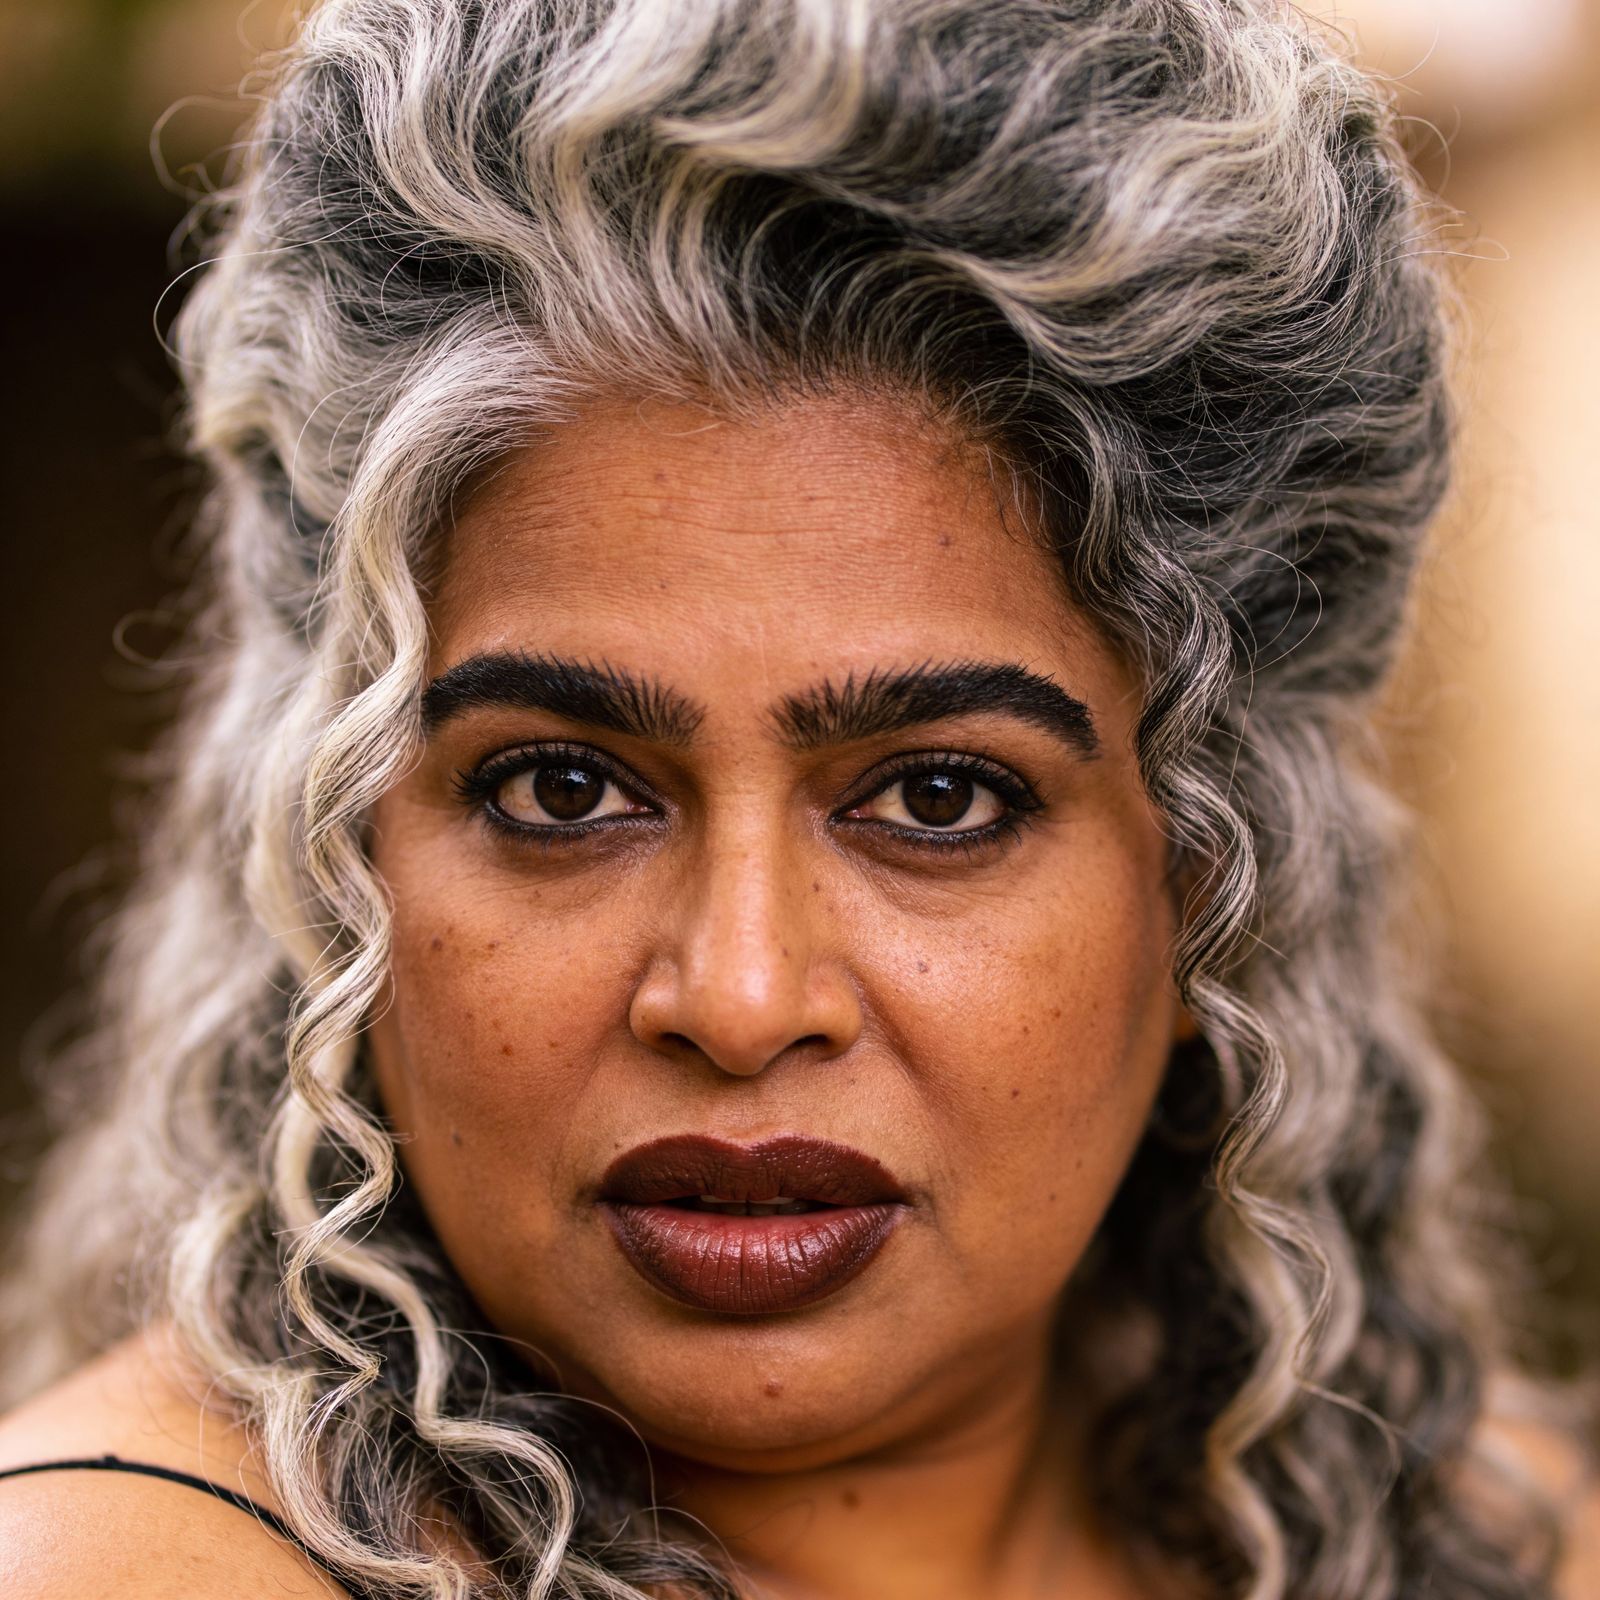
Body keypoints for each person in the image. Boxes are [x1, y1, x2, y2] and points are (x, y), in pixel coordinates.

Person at [0, 0, 1591, 1595]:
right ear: (337, 851)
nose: (743, 998)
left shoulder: (1498, 1548)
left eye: (942, 799)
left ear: (1207, 884)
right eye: (563, 790)